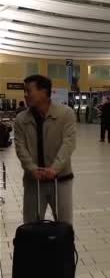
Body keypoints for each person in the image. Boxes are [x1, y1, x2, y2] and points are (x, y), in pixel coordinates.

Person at [14, 75, 76, 224]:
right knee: (31, 225)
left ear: (43, 91)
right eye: (25, 91)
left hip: (61, 180)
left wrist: (55, 169)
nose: (25, 95)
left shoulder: (65, 114)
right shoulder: (21, 119)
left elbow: (69, 143)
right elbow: (20, 147)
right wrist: (32, 169)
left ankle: (64, 248)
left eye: (29, 91)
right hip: (33, 182)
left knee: (64, 226)